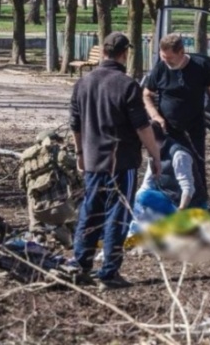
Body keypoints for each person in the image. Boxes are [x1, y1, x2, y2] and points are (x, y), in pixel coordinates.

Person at [63, 32, 161, 289]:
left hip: (92, 159)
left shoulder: (82, 83)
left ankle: (80, 264)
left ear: (104, 51)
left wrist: (80, 154)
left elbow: (75, 125)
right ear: (124, 54)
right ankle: (109, 272)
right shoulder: (127, 85)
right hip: (121, 161)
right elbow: (142, 127)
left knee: (90, 212)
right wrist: (155, 155)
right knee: (118, 216)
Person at [143, 33, 210, 187]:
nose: (165, 60)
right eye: (162, 56)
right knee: (171, 166)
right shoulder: (160, 69)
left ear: (181, 52)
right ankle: (173, 198)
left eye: (169, 57)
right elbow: (146, 95)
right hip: (168, 128)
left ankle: (200, 198)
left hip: (194, 127)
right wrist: (156, 116)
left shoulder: (200, 66)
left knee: (197, 166)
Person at [18, 130, 81, 247]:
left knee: (31, 194)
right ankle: (67, 232)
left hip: (37, 212)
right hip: (61, 208)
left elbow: (21, 184)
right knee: (78, 192)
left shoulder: (26, 158)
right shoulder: (58, 152)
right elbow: (77, 166)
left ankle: (38, 235)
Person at [139, 121, 207, 212]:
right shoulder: (153, 154)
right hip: (168, 197)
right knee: (143, 197)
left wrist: (181, 209)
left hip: (190, 204)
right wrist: (132, 203)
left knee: (145, 197)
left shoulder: (179, 154)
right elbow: (147, 185)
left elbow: (188, 188)